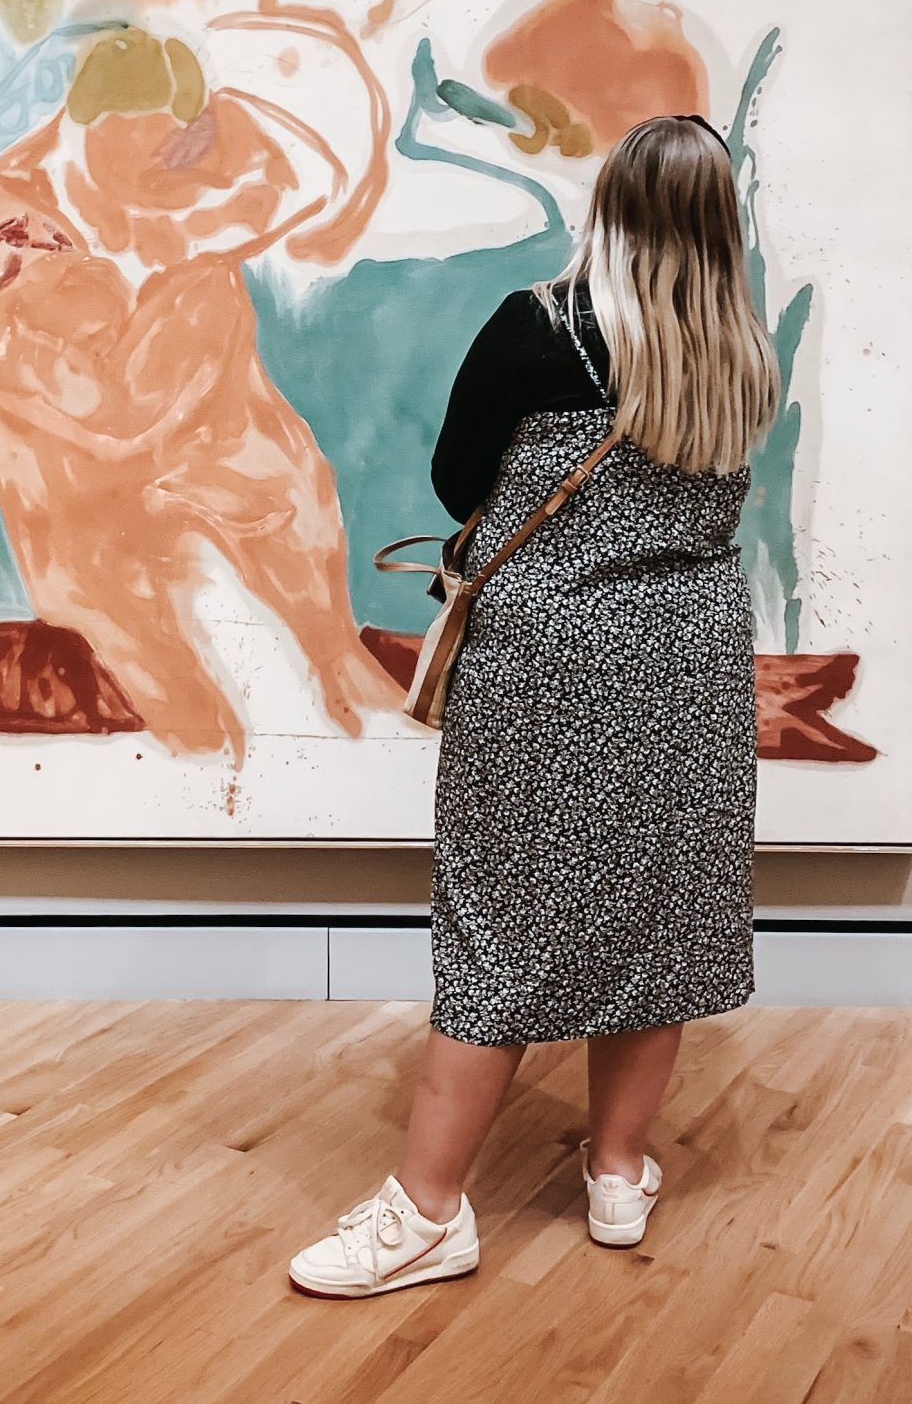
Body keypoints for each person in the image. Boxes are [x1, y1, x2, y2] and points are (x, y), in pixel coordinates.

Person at [289, 112, 780, 1295]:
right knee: (659, 914)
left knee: (498, 920)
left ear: (609, 202)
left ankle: (426, 1211)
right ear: (721, 219)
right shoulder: (742, 354)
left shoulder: (539, 326)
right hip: (687, 667)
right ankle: (618, 1173)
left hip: (548, 665)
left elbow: (459, 478)